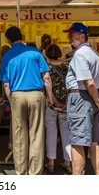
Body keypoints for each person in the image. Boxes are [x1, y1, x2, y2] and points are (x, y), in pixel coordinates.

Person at [0, 26, 53, 175]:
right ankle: (34, 174)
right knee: (36, 135)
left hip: (17, 95)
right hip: (36, 95)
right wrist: (49, 96)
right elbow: (46, 77)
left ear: (8, 40)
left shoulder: (7, 56)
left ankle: (21, 173)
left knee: (19, 136)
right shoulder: (35, 52)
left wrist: (11, 100)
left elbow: (6, 84)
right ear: (22, 36)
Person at [63, 22, 99, 175]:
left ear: (81, 36)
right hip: (91, 99)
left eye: (72, 35)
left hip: (80, 99)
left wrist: (98, 100)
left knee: (77, 142)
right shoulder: (95, 53)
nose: (69, 37)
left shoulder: (80, 54)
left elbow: (88, 82)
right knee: (94, 142)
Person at [44, 44, 72, 174]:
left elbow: (47, 85)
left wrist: (54, 101)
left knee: (51, 132)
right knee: (66, 132)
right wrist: (65, 102)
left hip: (51, 104)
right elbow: (70, 85)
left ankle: (51, 163)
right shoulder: (66, 67)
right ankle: (67, 162)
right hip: (66, 104)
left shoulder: (46, 68)